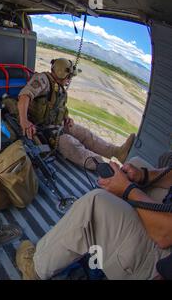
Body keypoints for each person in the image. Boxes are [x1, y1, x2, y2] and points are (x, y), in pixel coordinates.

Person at [16, 156, 172, 280]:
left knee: (96, 203)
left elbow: (165, 235)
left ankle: (35, 269)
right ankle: (96, 239)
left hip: (161, 262)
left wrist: (127, 190)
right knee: (136, 163)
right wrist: (144, 175)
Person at [17, 58, 135, 170]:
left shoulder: (60, 88)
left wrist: (66, 117)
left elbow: (58, 107)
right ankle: (106, 168)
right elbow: (24, 96)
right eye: (69, 76)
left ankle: (117, 152)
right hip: (42, 129)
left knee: (86, 134)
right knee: (71, 144)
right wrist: (24, 121)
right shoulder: (43, 80)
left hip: (58, 125)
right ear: (60, 72)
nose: (70, 79)